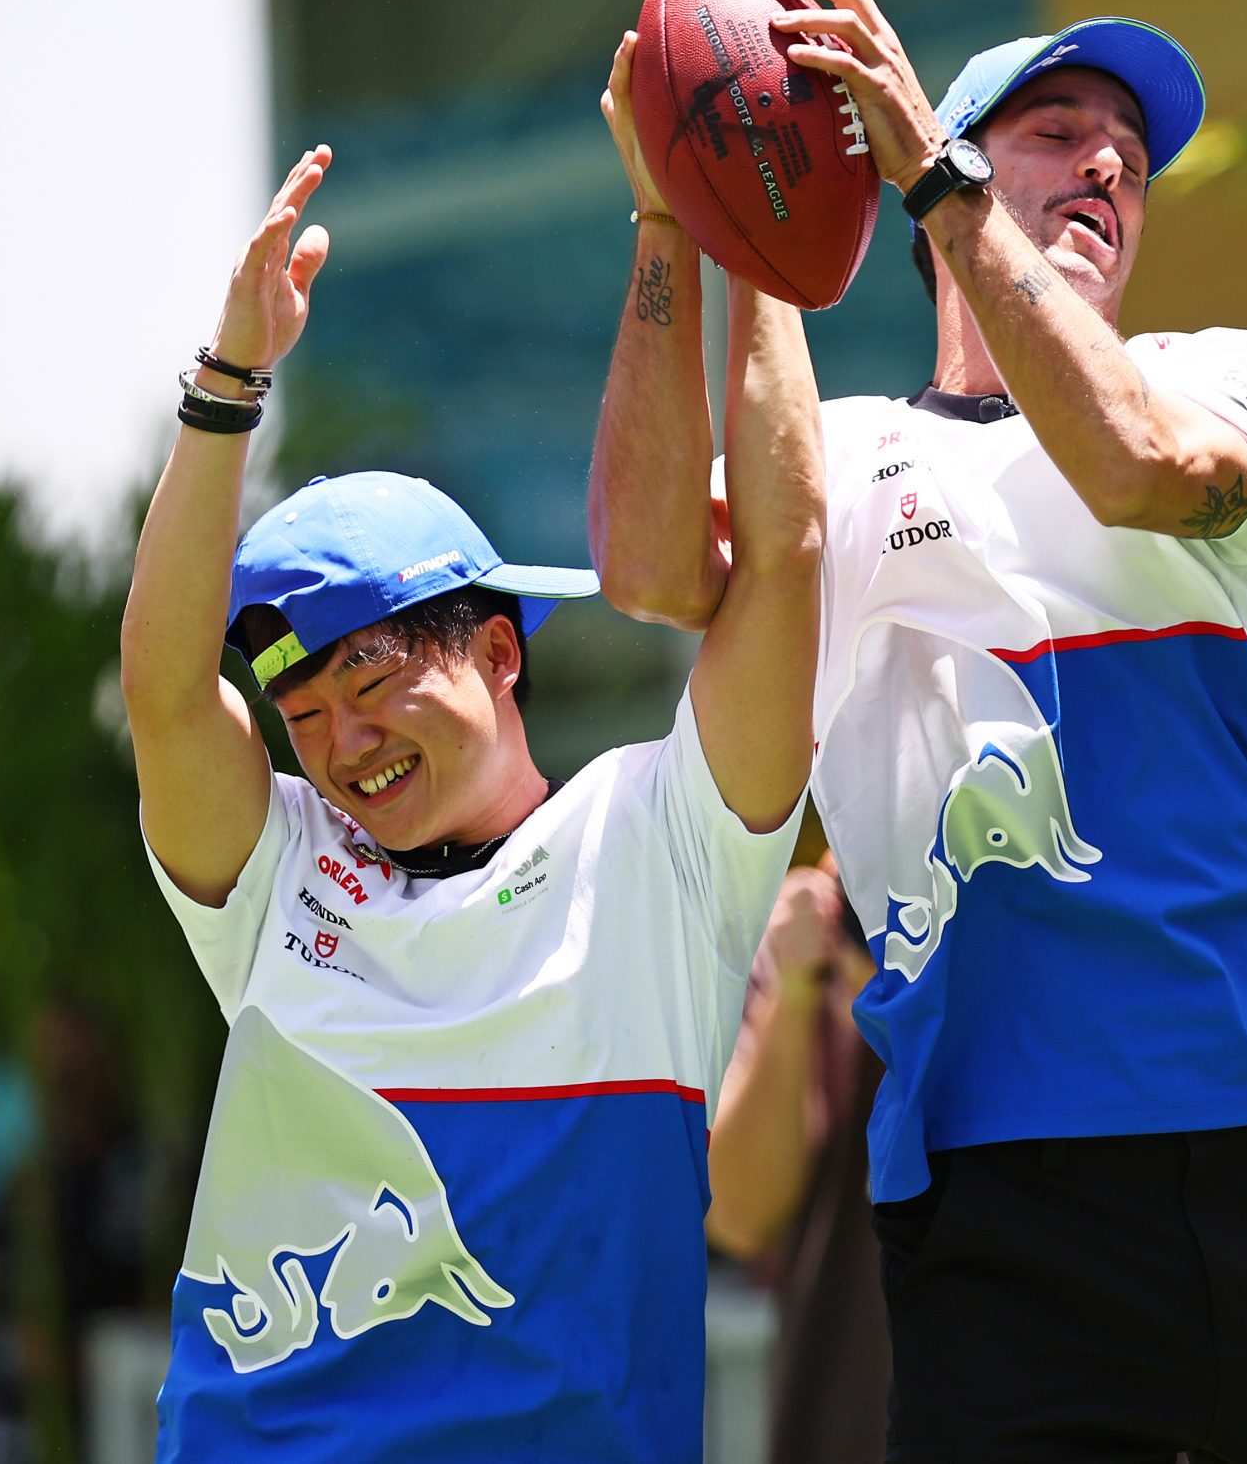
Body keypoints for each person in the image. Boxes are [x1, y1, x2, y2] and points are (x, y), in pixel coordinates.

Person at [592, 0, 1247, 1462]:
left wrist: (931, 167)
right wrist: (688, 211)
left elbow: (1135, 464)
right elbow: (656, 566)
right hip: (1002, 1213)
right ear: (941, 166)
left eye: (1130, 147)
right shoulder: (846, 465)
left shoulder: (1222, 378)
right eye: (1058, 128)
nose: (1110, 160)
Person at [118, 145, 824, 1461]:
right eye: (305, 710)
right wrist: (228, 383)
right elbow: (164, 695)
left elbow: (782, 561)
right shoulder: (279, 870)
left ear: (501, 652)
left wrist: (712, 227)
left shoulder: (658, 842)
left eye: (373, 679)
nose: (343, 743)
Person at [706, 857, 886, 1464]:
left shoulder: (1004, 876)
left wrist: (901, 1019)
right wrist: (792, 997)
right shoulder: (809, 925)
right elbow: (737, 1216)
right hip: (837, 1417)